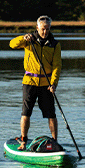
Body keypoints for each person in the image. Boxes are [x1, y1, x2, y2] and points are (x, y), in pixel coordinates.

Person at [9, 15, 61, 150]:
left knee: (51, 114)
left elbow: (57, 66)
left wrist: (53, 83)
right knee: (26, 113)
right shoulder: (29, 40)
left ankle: (54, 142)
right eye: (43, 29)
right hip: (29, 82)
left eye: (48, 29)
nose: (45, 32)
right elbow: (12, 44)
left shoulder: (54, 44)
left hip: (47, 84)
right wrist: (22, 38)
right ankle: (23, 142)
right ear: (37, 28)